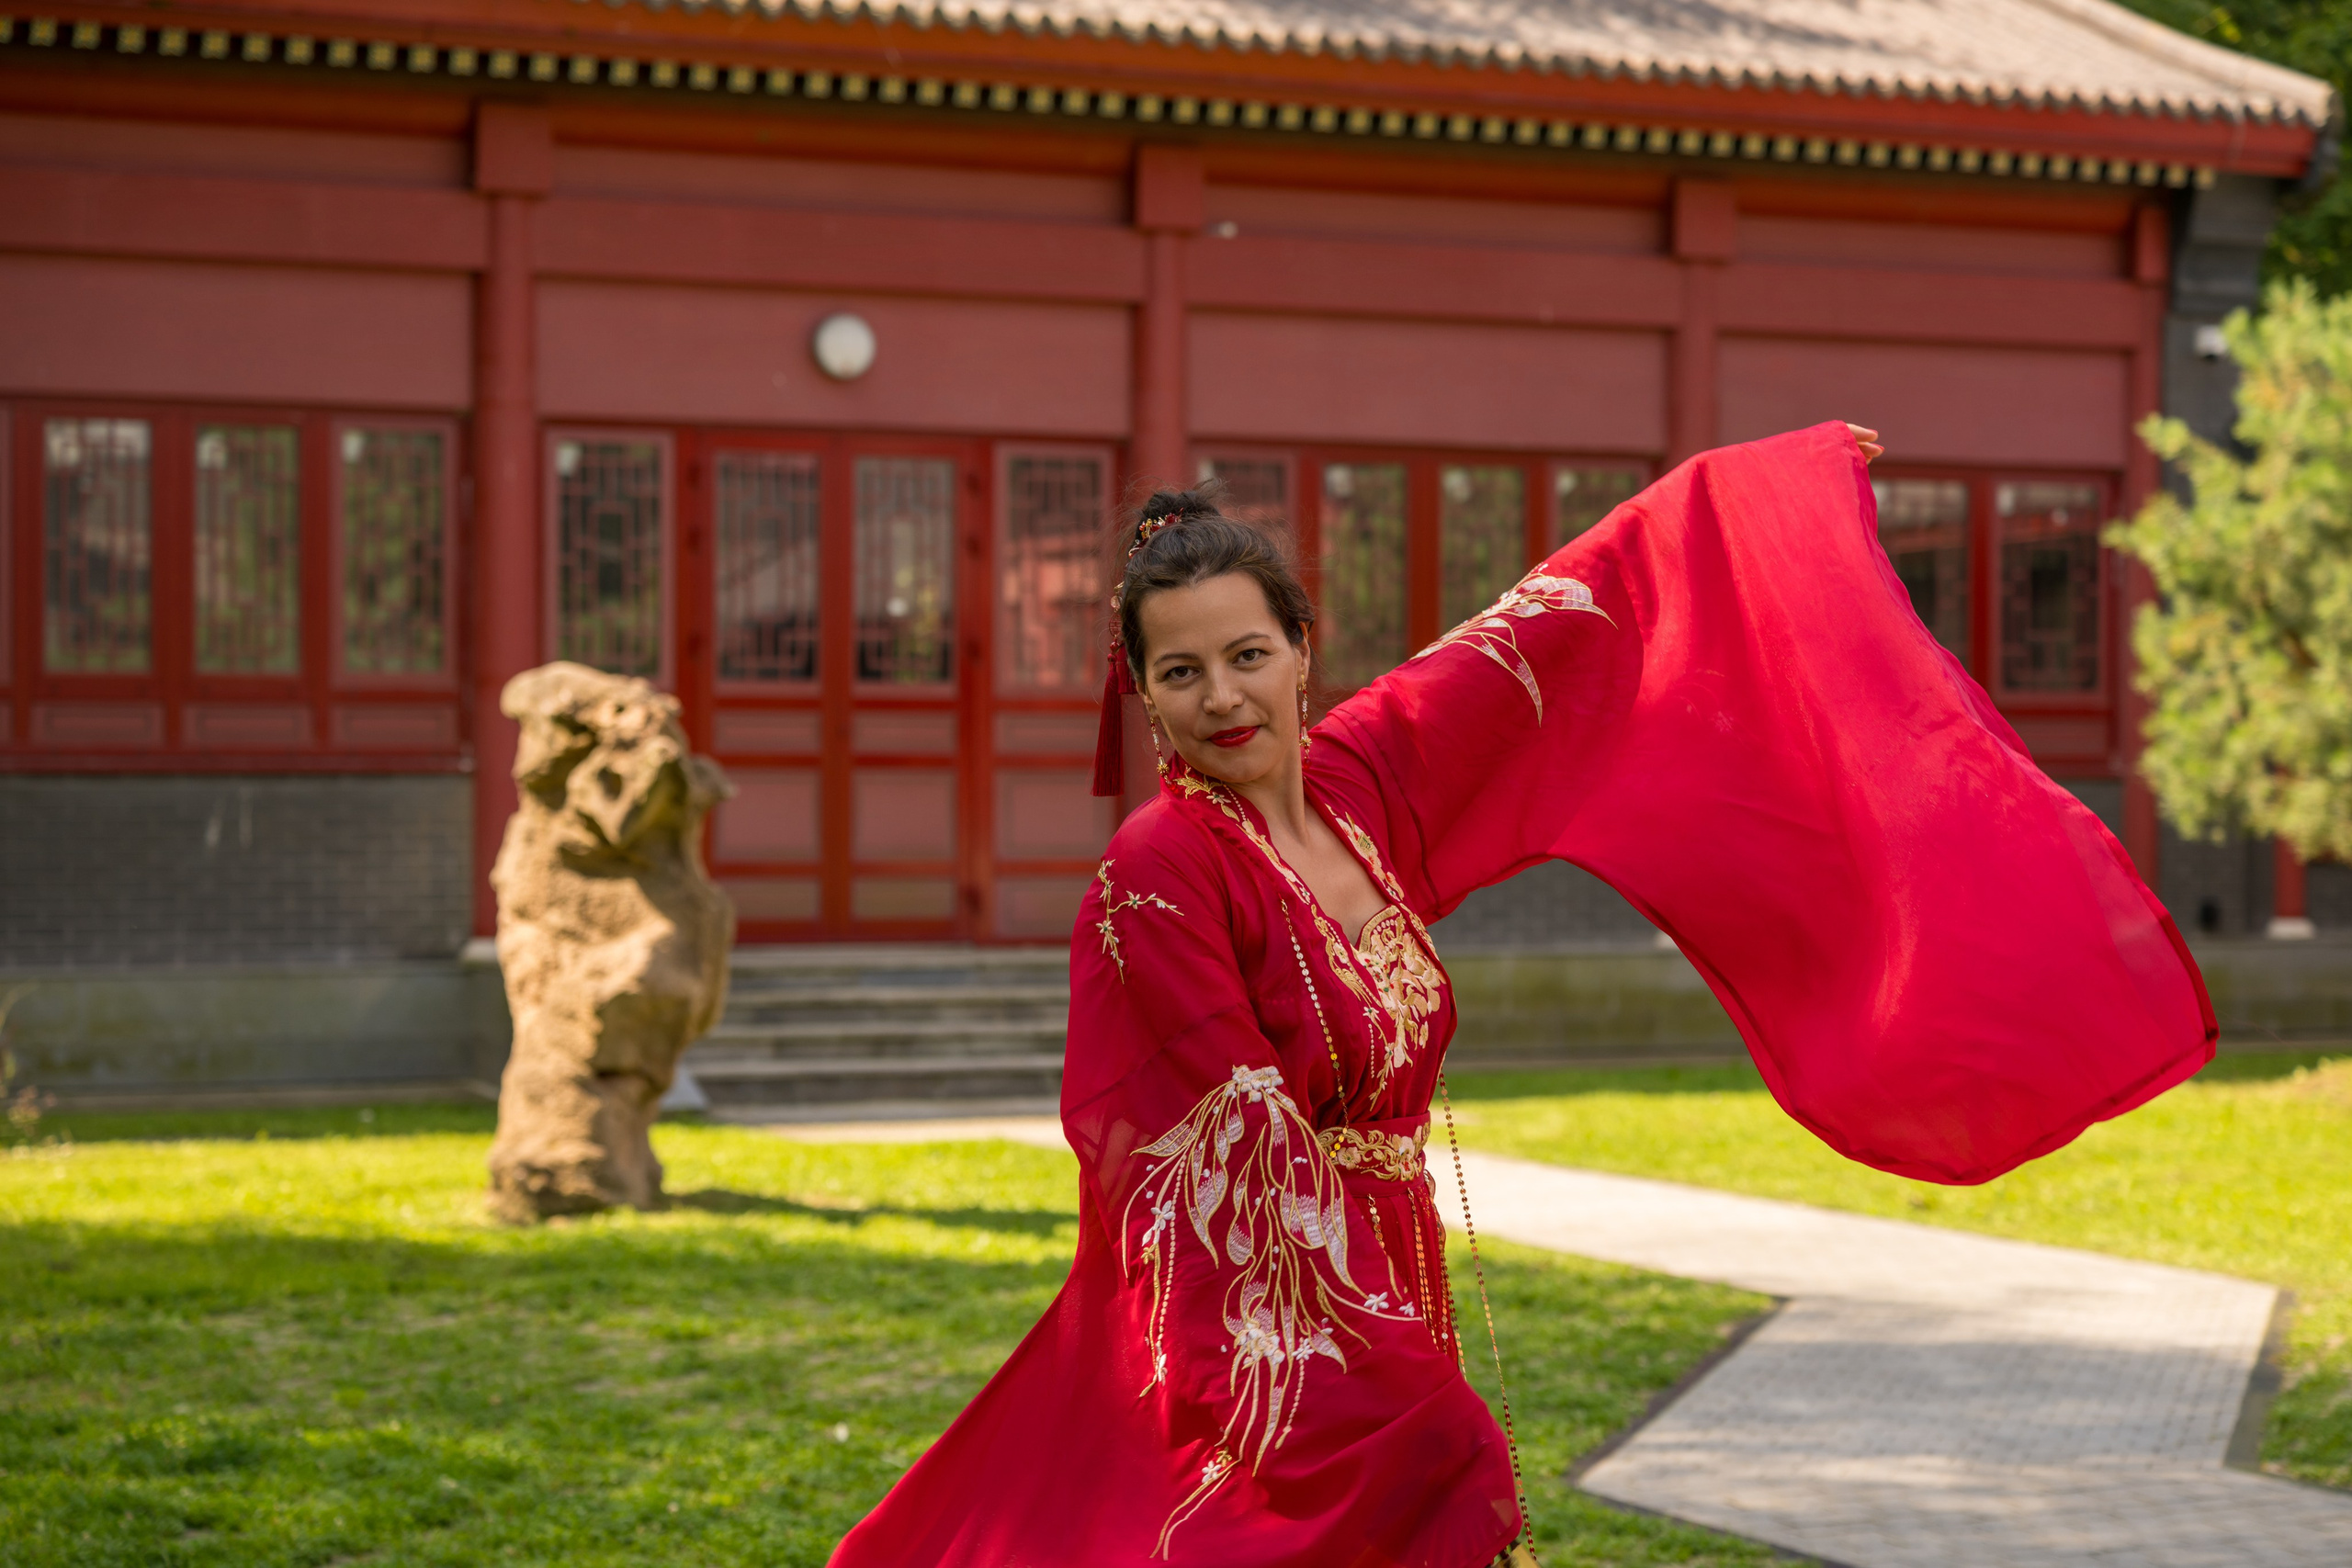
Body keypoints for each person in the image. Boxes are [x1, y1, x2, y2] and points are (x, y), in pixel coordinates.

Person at [828, 421, 2212, 1568]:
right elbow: (1220, 1149)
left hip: (1389, 1268)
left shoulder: (1362, 787)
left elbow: (1554, 635)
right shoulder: (1163, 871)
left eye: (1248, 656)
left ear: (1304, 650)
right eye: (1178, 673)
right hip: (1274, 1316)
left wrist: (1747, 501)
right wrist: (1391, 1391)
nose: (1223, 699)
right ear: (1141, 694)